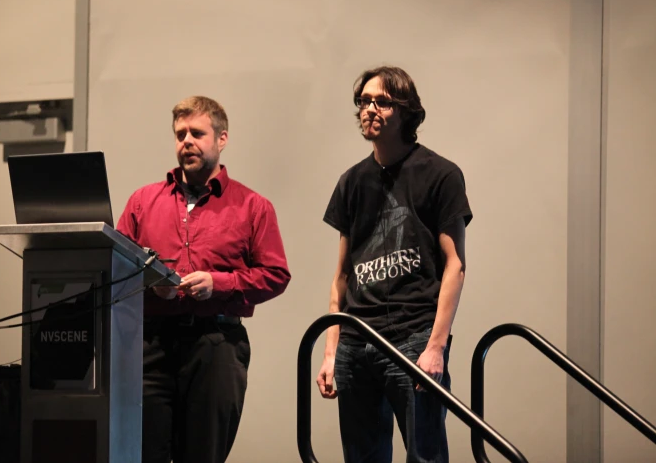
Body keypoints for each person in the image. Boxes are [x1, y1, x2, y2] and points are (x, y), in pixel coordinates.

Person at [116, 95, 291, 463]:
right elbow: (115, 268)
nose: (187, 142)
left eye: (197, 133)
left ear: (221, 139)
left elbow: (275, 274)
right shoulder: (142, 202)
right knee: (140, 452)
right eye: (180, 134)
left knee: (202, 455)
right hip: (151, 347)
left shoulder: (252, 206)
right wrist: (149, 283)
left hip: (215, 343)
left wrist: (219, 283)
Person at [316, 66, 472, 462]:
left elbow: (456, 265)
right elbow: (340, 279)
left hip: (413, 338)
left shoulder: (440, 174)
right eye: (365, 101)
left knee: (426, 455)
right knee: (363, 457)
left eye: (382, 101)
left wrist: (436, 346)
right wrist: (331, 351)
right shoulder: (351, 182)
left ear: (405, 111)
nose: (370, 109)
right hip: (355, 339)